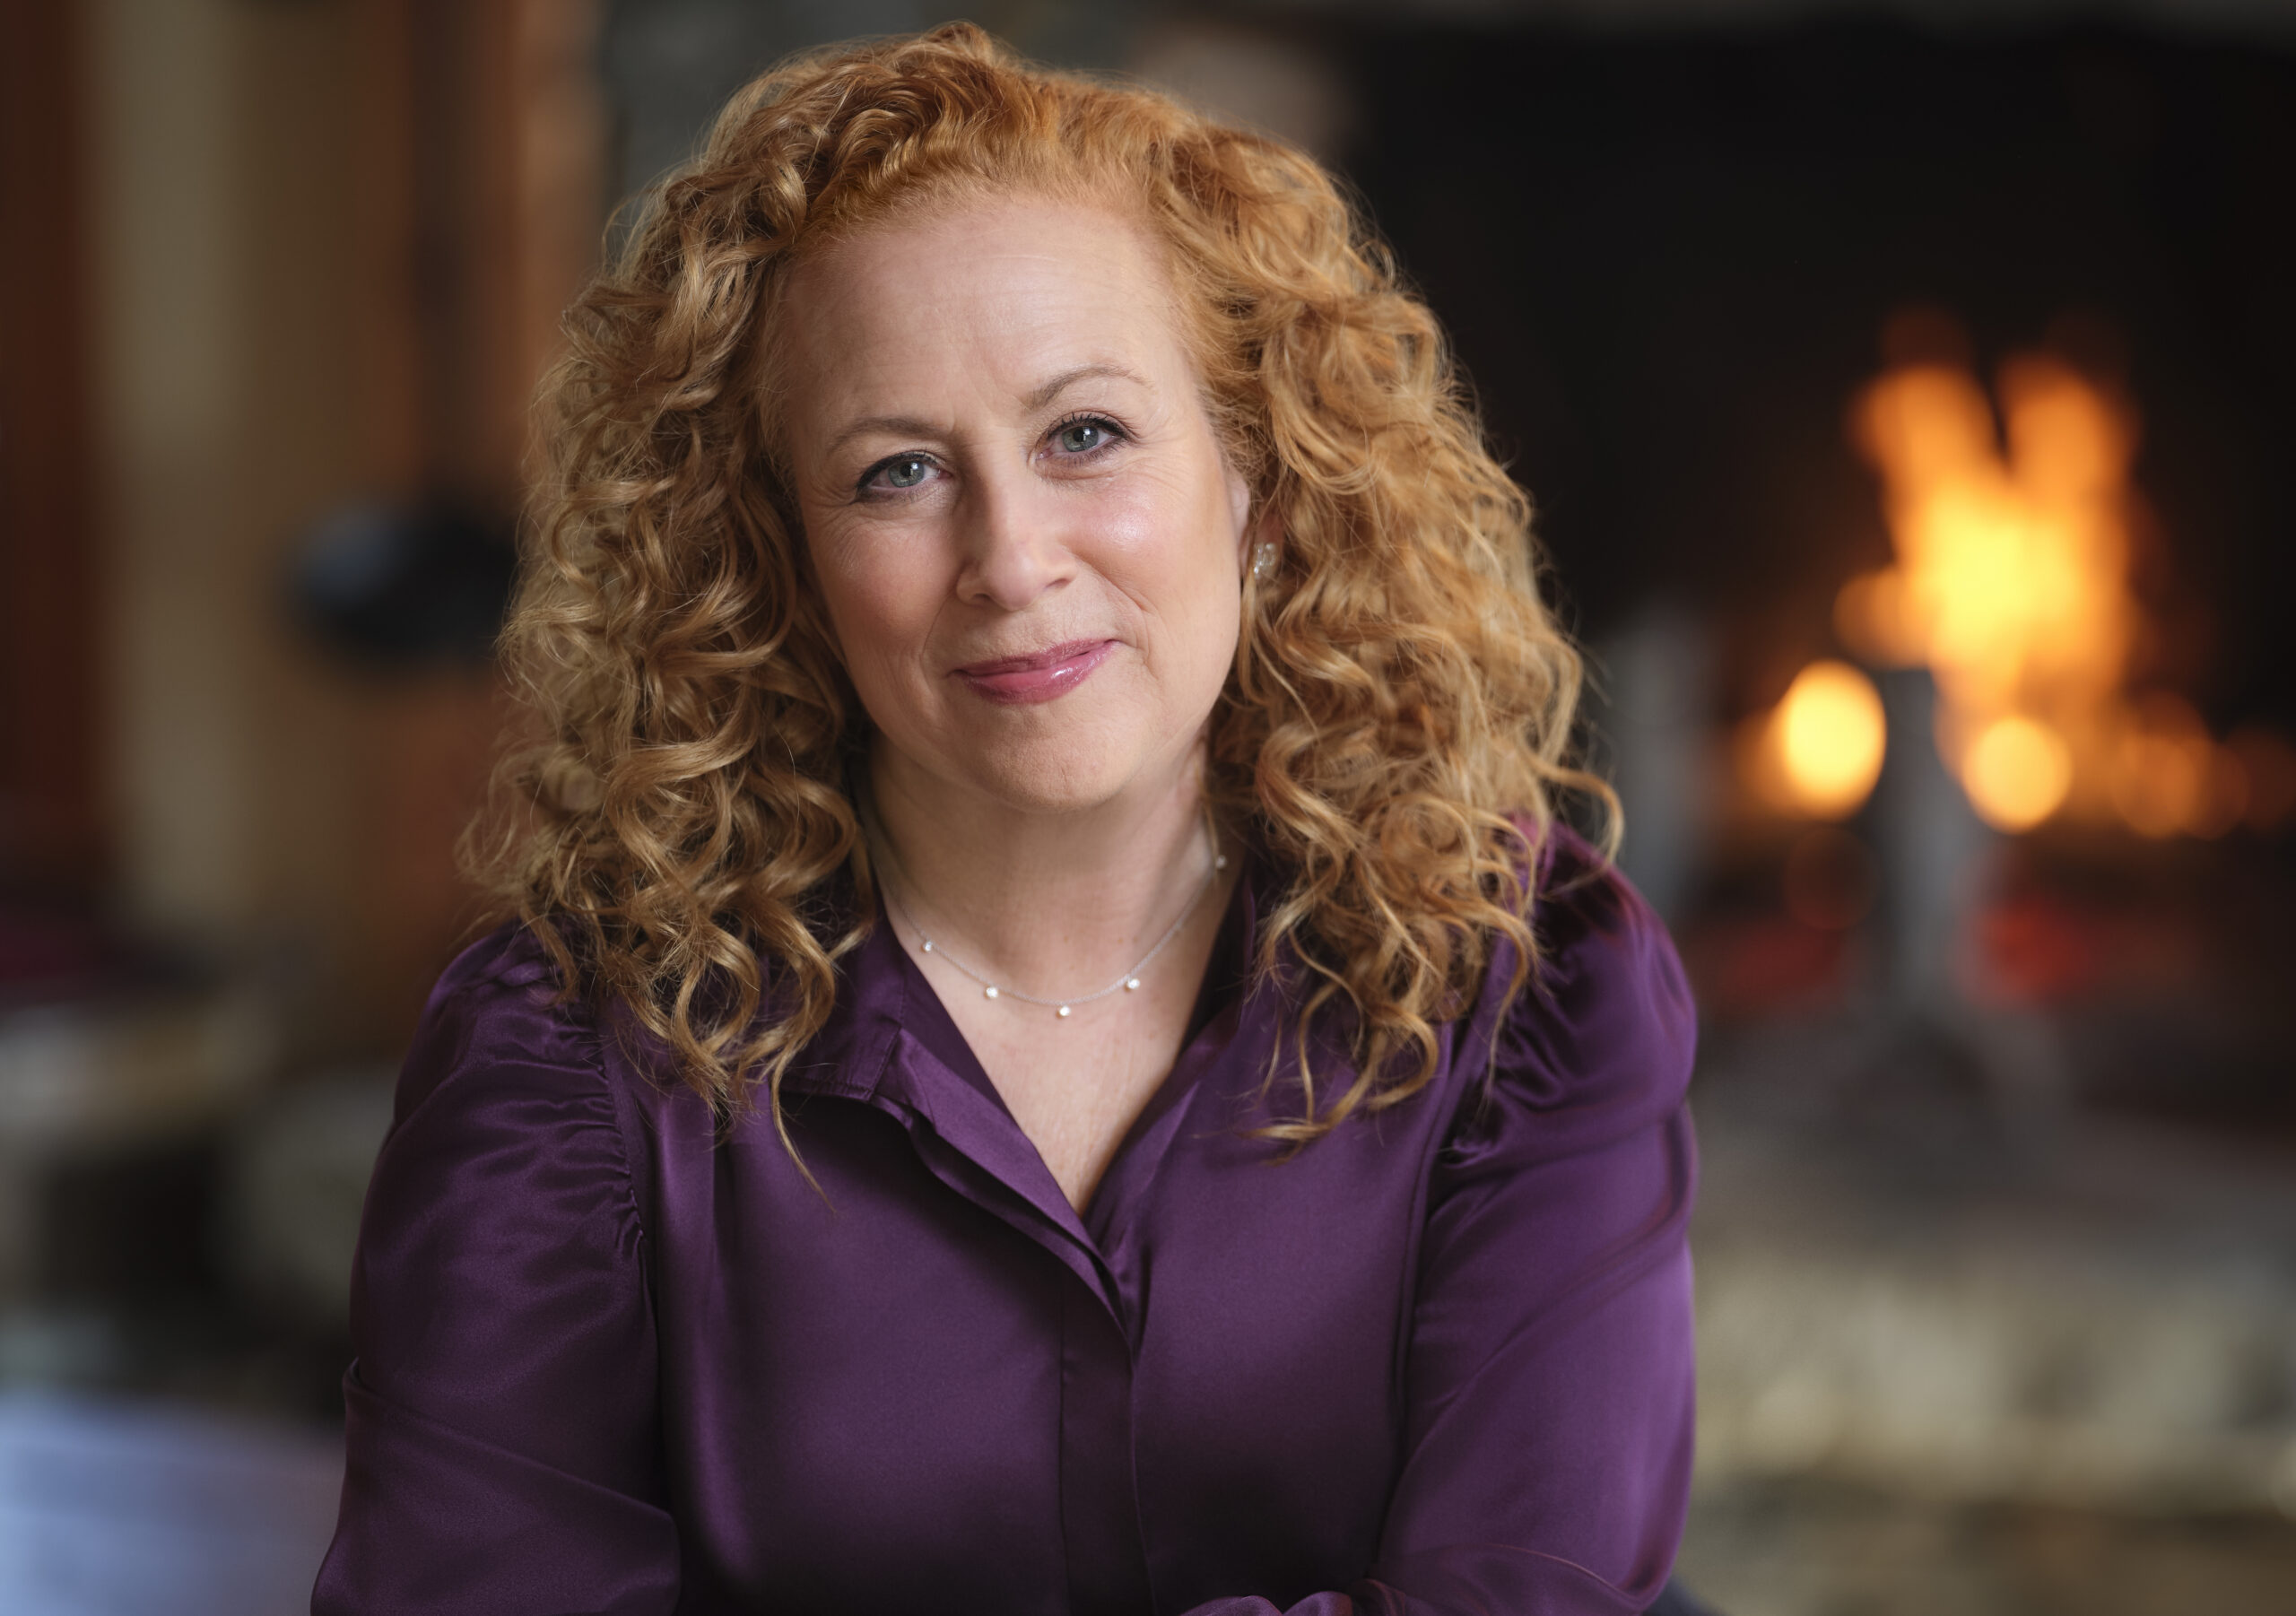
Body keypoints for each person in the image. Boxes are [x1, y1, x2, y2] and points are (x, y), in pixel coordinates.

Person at [313, 24, 1700, 1616]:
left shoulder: (1526, 976)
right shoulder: (566, 1056)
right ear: (779, 556)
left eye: (1086, 434)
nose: (1012, 556)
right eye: (897, 472)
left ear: (1254, 469)